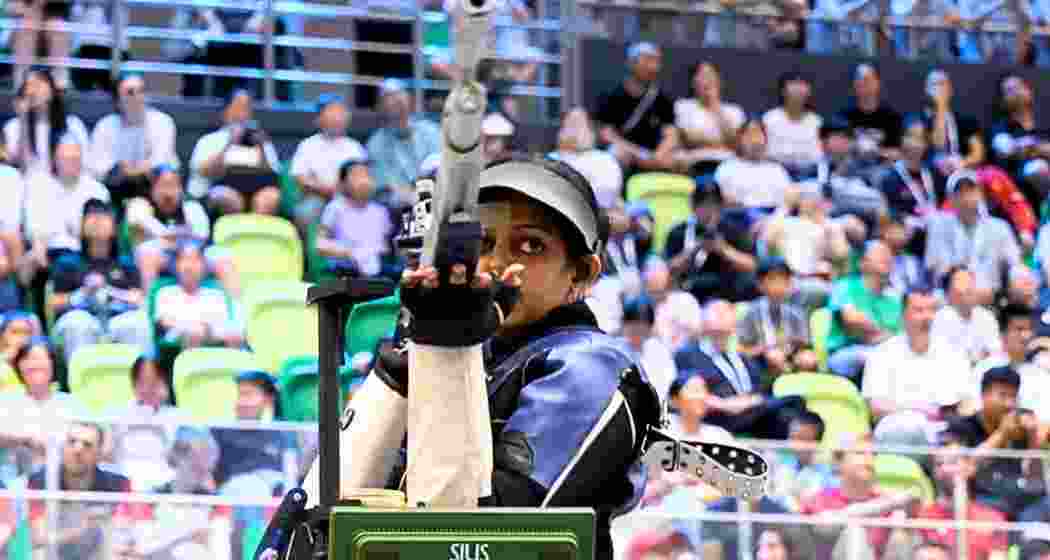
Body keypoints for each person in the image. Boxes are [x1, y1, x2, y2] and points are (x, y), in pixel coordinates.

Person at [295, 157, 665, 560]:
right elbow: (320, 517)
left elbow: (478, 540)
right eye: (482, 243)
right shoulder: (475, 351)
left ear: (582, 274)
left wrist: (450, 343)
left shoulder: (591, 366)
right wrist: (399, 369)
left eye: (531, 245)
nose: (498, 261)